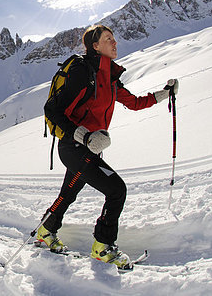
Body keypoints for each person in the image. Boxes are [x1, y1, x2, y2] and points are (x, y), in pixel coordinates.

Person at [38, 24, 178, 269]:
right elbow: (53, 109)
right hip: (73, 147)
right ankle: (103, 246)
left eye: (114, 39)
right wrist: (83, 136)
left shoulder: (110, 77)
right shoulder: (83, 71)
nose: (115, 43)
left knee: (69, 193)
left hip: (89, 149)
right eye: (108, 39)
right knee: (116, 190)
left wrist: (164, 94)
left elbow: (134, 103)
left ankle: (45, 230)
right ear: (95, 46)